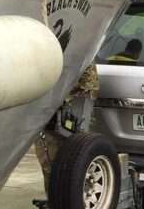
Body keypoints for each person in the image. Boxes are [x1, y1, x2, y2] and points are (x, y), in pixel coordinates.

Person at [34, 64, 99, 197]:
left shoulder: (81, 55)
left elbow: (89, 86)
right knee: (49, 161)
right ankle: (54, 198)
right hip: (54, 118)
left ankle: (61, 198)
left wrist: (61, 98)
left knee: (63, 164)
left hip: (68, 117)